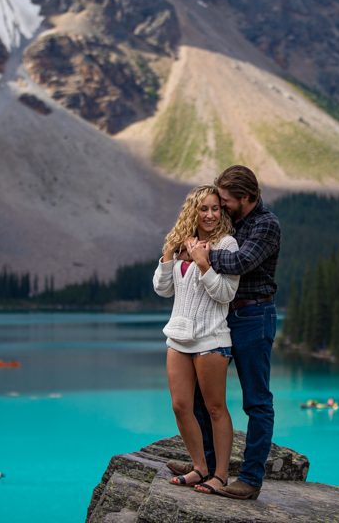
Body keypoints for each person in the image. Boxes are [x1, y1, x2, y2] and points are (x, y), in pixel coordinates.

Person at [171, 165, 281, 501]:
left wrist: (200, 253)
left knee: (256, 401)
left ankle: (249, 479)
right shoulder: (233, 223)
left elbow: (238, 263)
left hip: (253, 314)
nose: (222, 207)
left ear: (247, 197)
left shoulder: (266, 225)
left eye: (227, 201)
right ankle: (204, 465)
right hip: (221, 317)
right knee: (205, 399)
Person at [153, 184, 240, 496]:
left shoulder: (227, 244)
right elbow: (162, 290)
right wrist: (168, 256)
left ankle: (219, 475)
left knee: (216, 408)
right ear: (193, 211)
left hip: (211, 339)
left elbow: (226, 294)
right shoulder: (183, 243)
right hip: (178, 336)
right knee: (180, 406)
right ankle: (199, 467)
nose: (210, 214)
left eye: (215, 208)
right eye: (203, 208)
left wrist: (204, 263)